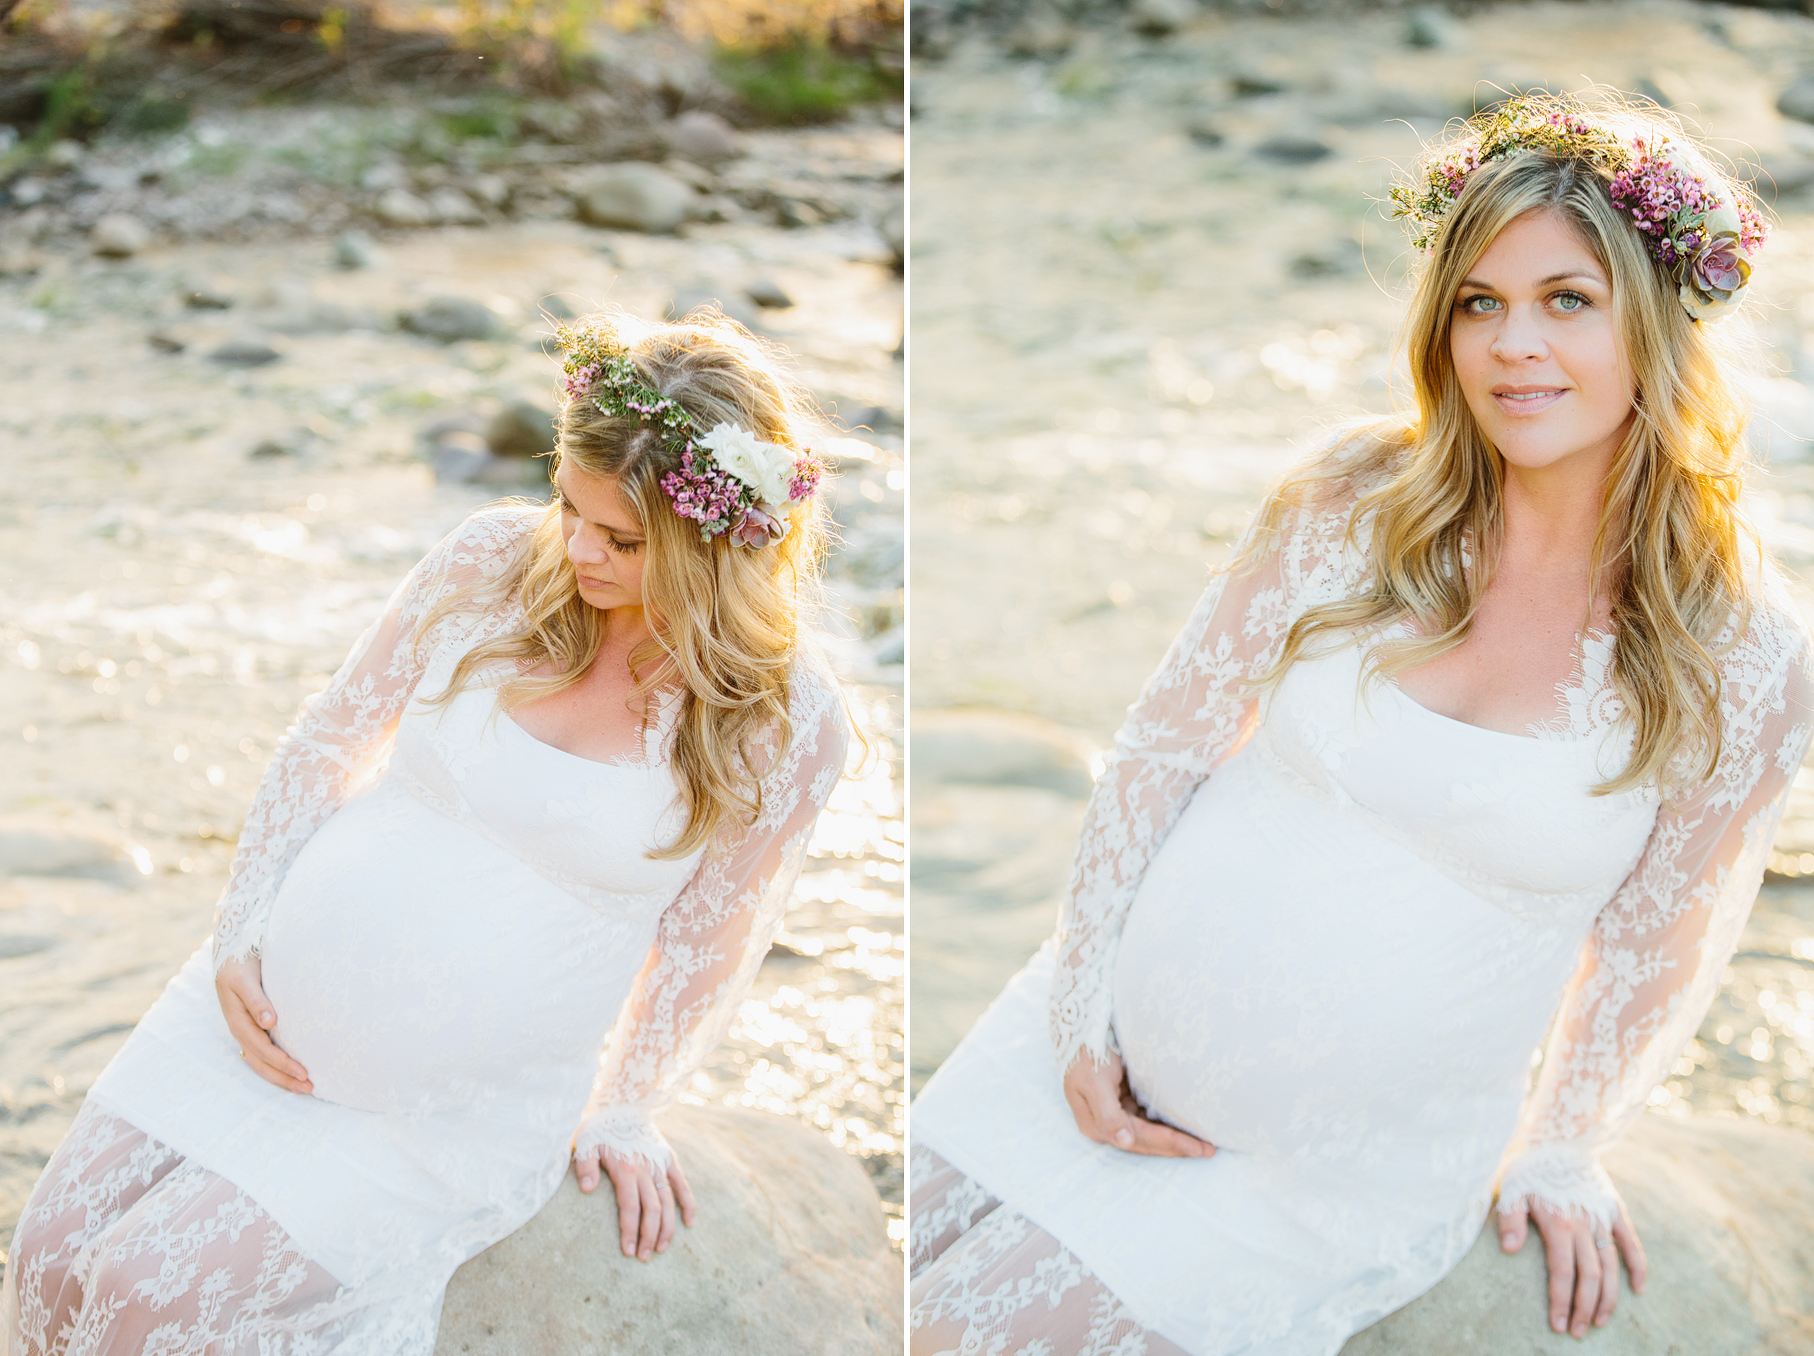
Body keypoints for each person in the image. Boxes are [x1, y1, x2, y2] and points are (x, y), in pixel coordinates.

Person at [908, 93, 1814, 1355]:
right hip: (1071, 1060)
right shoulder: (1351, 495)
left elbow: (1665, 938)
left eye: (1566, 300)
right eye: (1476, 302)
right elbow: (1160, 750)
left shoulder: (1743, 650)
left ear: (1654, 325)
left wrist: (1560, 1144)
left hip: (1304, 1189)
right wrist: (1075, 1015)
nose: (1512, 347)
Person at [2, 309, 853, 1354]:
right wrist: (243, 928)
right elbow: (327, 742)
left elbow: (711, 939)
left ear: (716, 541)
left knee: (141, 1292)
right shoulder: (492, 562)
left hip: (435, 1115)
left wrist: (627, 1104)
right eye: (567, 506)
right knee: (48, 1254)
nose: (579, 548)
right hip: (248, 1020)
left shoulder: (780, 717)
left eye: (623, 540)